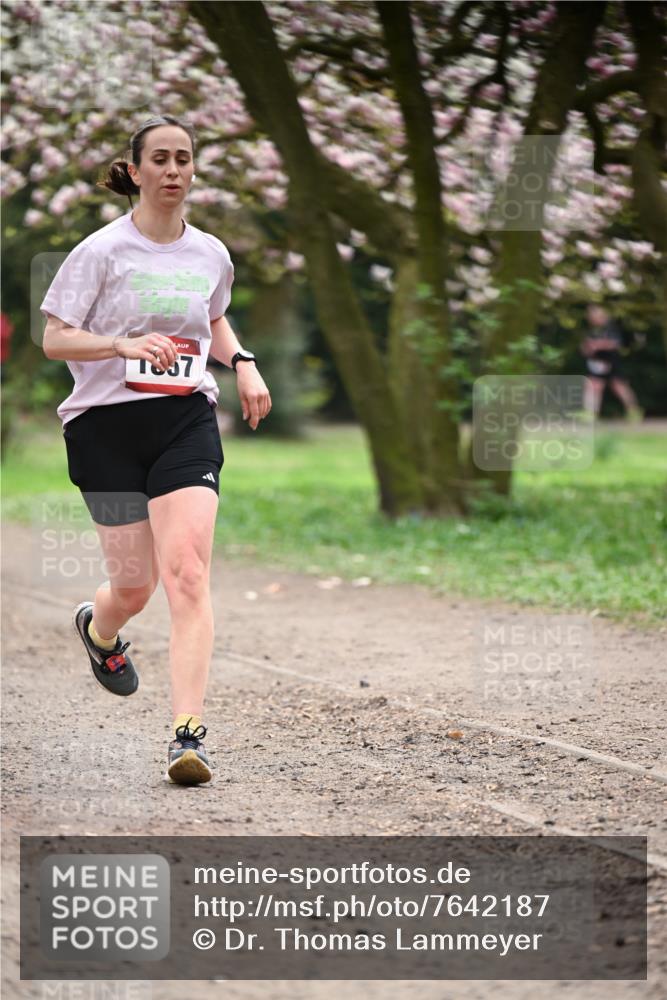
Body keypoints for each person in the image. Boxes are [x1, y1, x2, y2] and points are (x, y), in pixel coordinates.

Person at [40, 114, 271, 785]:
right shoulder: (101, 252)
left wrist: (244, 361)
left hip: (182, 420)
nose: (173, 170)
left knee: (188, 574)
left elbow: (214, 316)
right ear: (135, 171)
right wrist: (119, 345)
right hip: (103, 427)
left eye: (184, 159)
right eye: (160, 160)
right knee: (134, 586)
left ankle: (186, 736)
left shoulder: (210, 254)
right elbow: (56, 339)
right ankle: (100, 628)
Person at [581, 304, 643, 421]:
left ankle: (633, 411)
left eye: (594, 316)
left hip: (610, 360)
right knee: (593, 385)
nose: (591, 319)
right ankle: (590, 413)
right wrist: (587, 349)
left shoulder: (611, 327)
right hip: (596, 362)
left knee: (619, 386)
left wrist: (597, 345)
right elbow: (586, 346)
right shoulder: (591, 330)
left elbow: (615, 343)